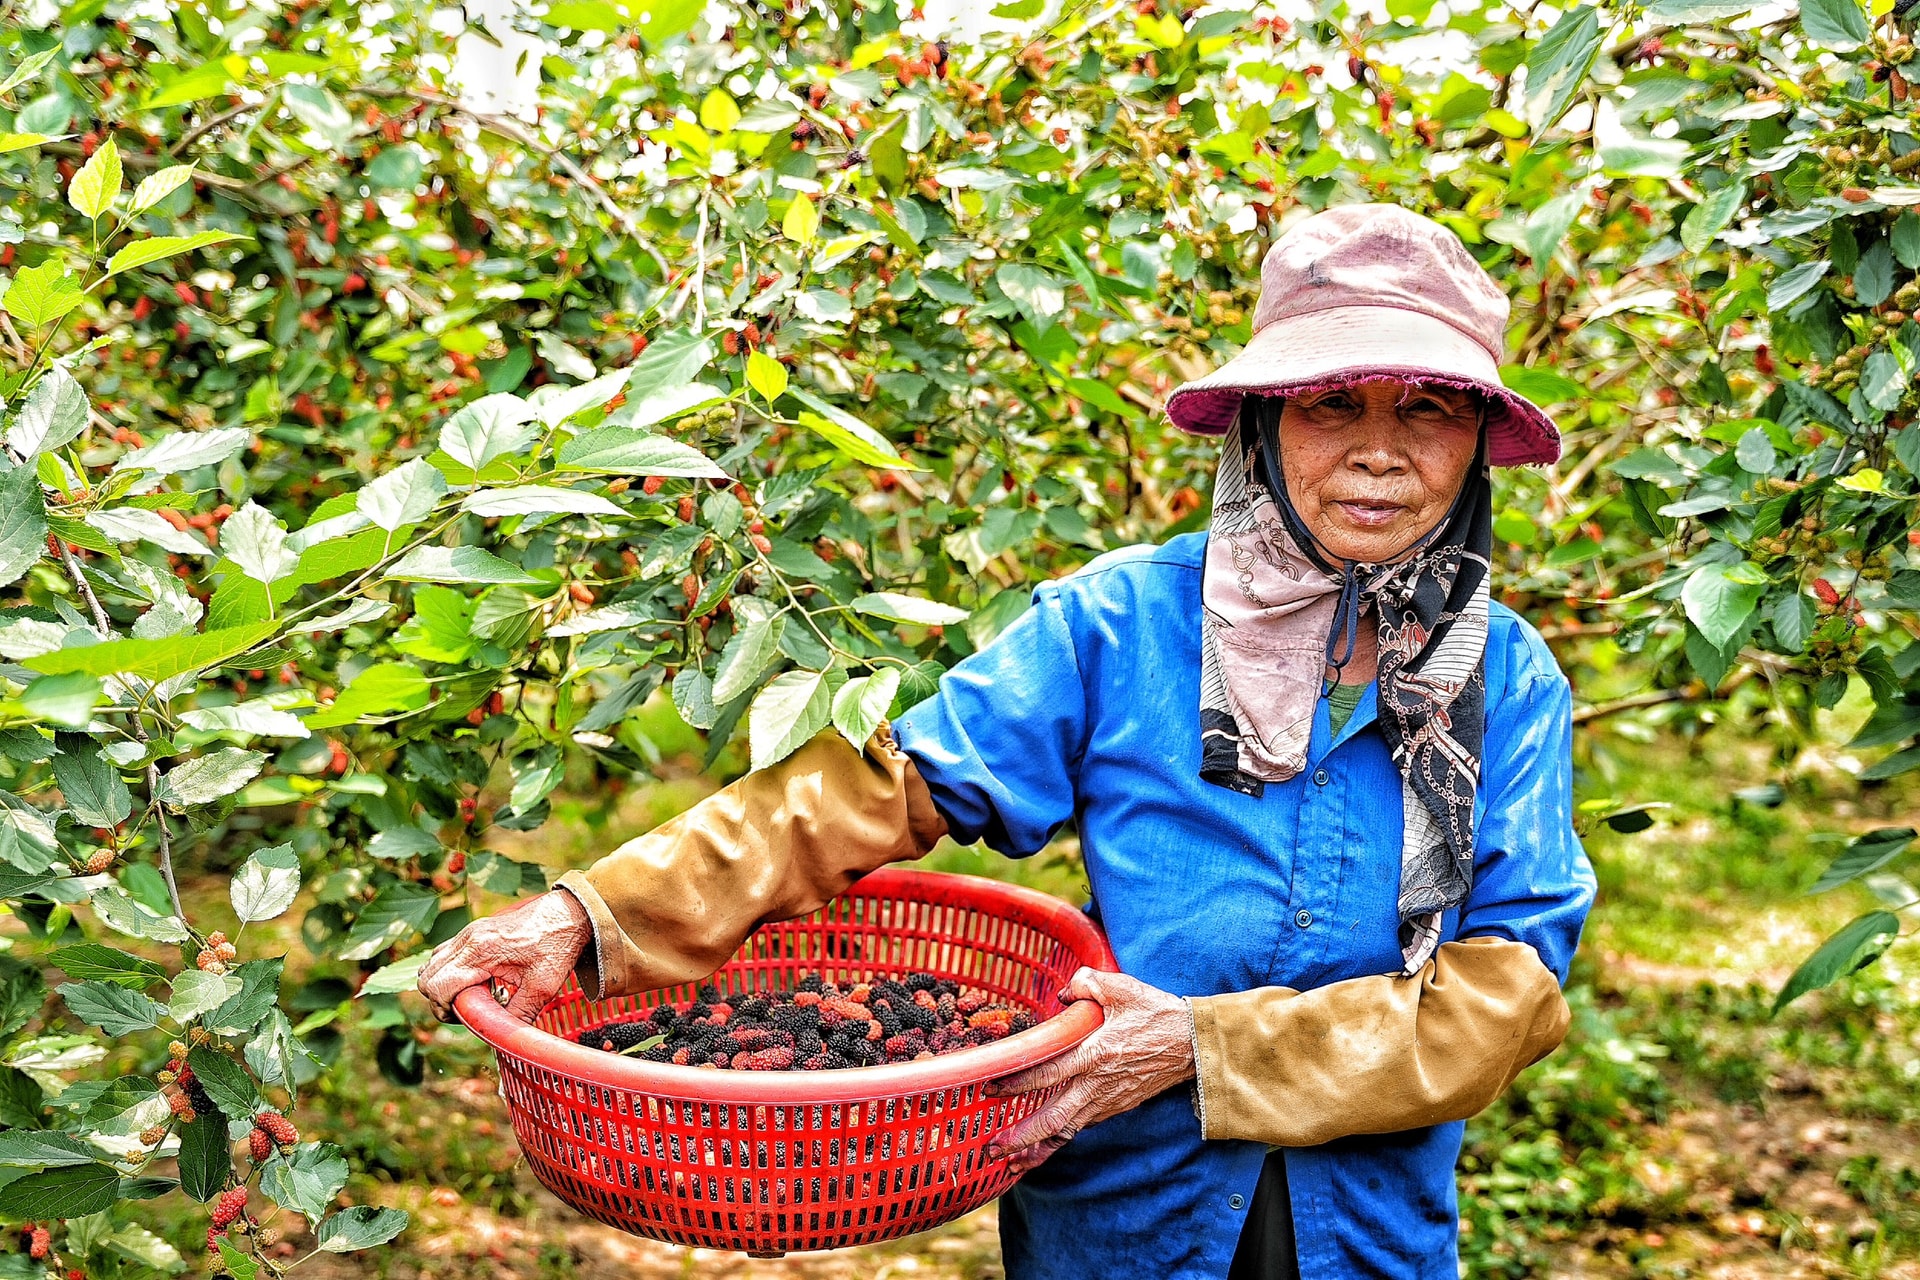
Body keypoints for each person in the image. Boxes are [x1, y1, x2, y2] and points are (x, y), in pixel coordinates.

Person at [419, 203, 1596, 1279]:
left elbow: (1510, 993)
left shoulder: (1507, 683)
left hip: (1372, 1227)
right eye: (1334, 402)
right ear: (1265, 423)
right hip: (1120, 1219)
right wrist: (586, 914)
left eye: (1429, 408)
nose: (1381, 451)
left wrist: (1200, 1045)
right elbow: (877, 786)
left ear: (1477, 440)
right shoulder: (1122, 625)